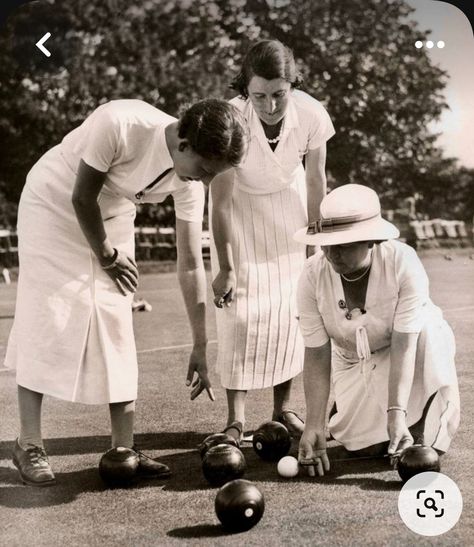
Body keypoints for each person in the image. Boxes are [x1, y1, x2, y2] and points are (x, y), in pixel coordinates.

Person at [4, 98, 247, 486]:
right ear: (184, 143)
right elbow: (81, 197)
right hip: (55, 202)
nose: (204, 181)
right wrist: (106, 254)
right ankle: (28, 443)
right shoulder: (120, 122)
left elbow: (189, 263)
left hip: (113, 212)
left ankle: (123, 449)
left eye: (212, 175)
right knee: (47, 314)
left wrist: (200, 344)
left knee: (117, 320)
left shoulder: (190, 183)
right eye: (203, 170)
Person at [210, 40, 335, 442]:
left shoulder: (313, 114)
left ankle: (282, 410)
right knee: (239, 315)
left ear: (293, 86)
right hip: (241, 212)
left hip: (291, 211)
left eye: (279, 95)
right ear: (246, 89)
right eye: (259, 95)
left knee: (290, 312)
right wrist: (227, 268)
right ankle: (235, 420)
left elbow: (316, 179)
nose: (269, 106)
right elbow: (221, 201)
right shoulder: (231, 117)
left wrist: (317, 244)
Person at [294, 184, 460, 476]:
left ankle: (419, 428)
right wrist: (314, 425)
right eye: (326, 243)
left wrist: (397, 414)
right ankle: (345, 412)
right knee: (363, 449)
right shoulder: (311, 275)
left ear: (372, 240)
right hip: (353, 360)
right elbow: (317, 355)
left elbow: (404, 344)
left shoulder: (402, 262)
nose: (332, 254)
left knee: (431, 330)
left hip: (411, 349)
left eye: (343, 244)